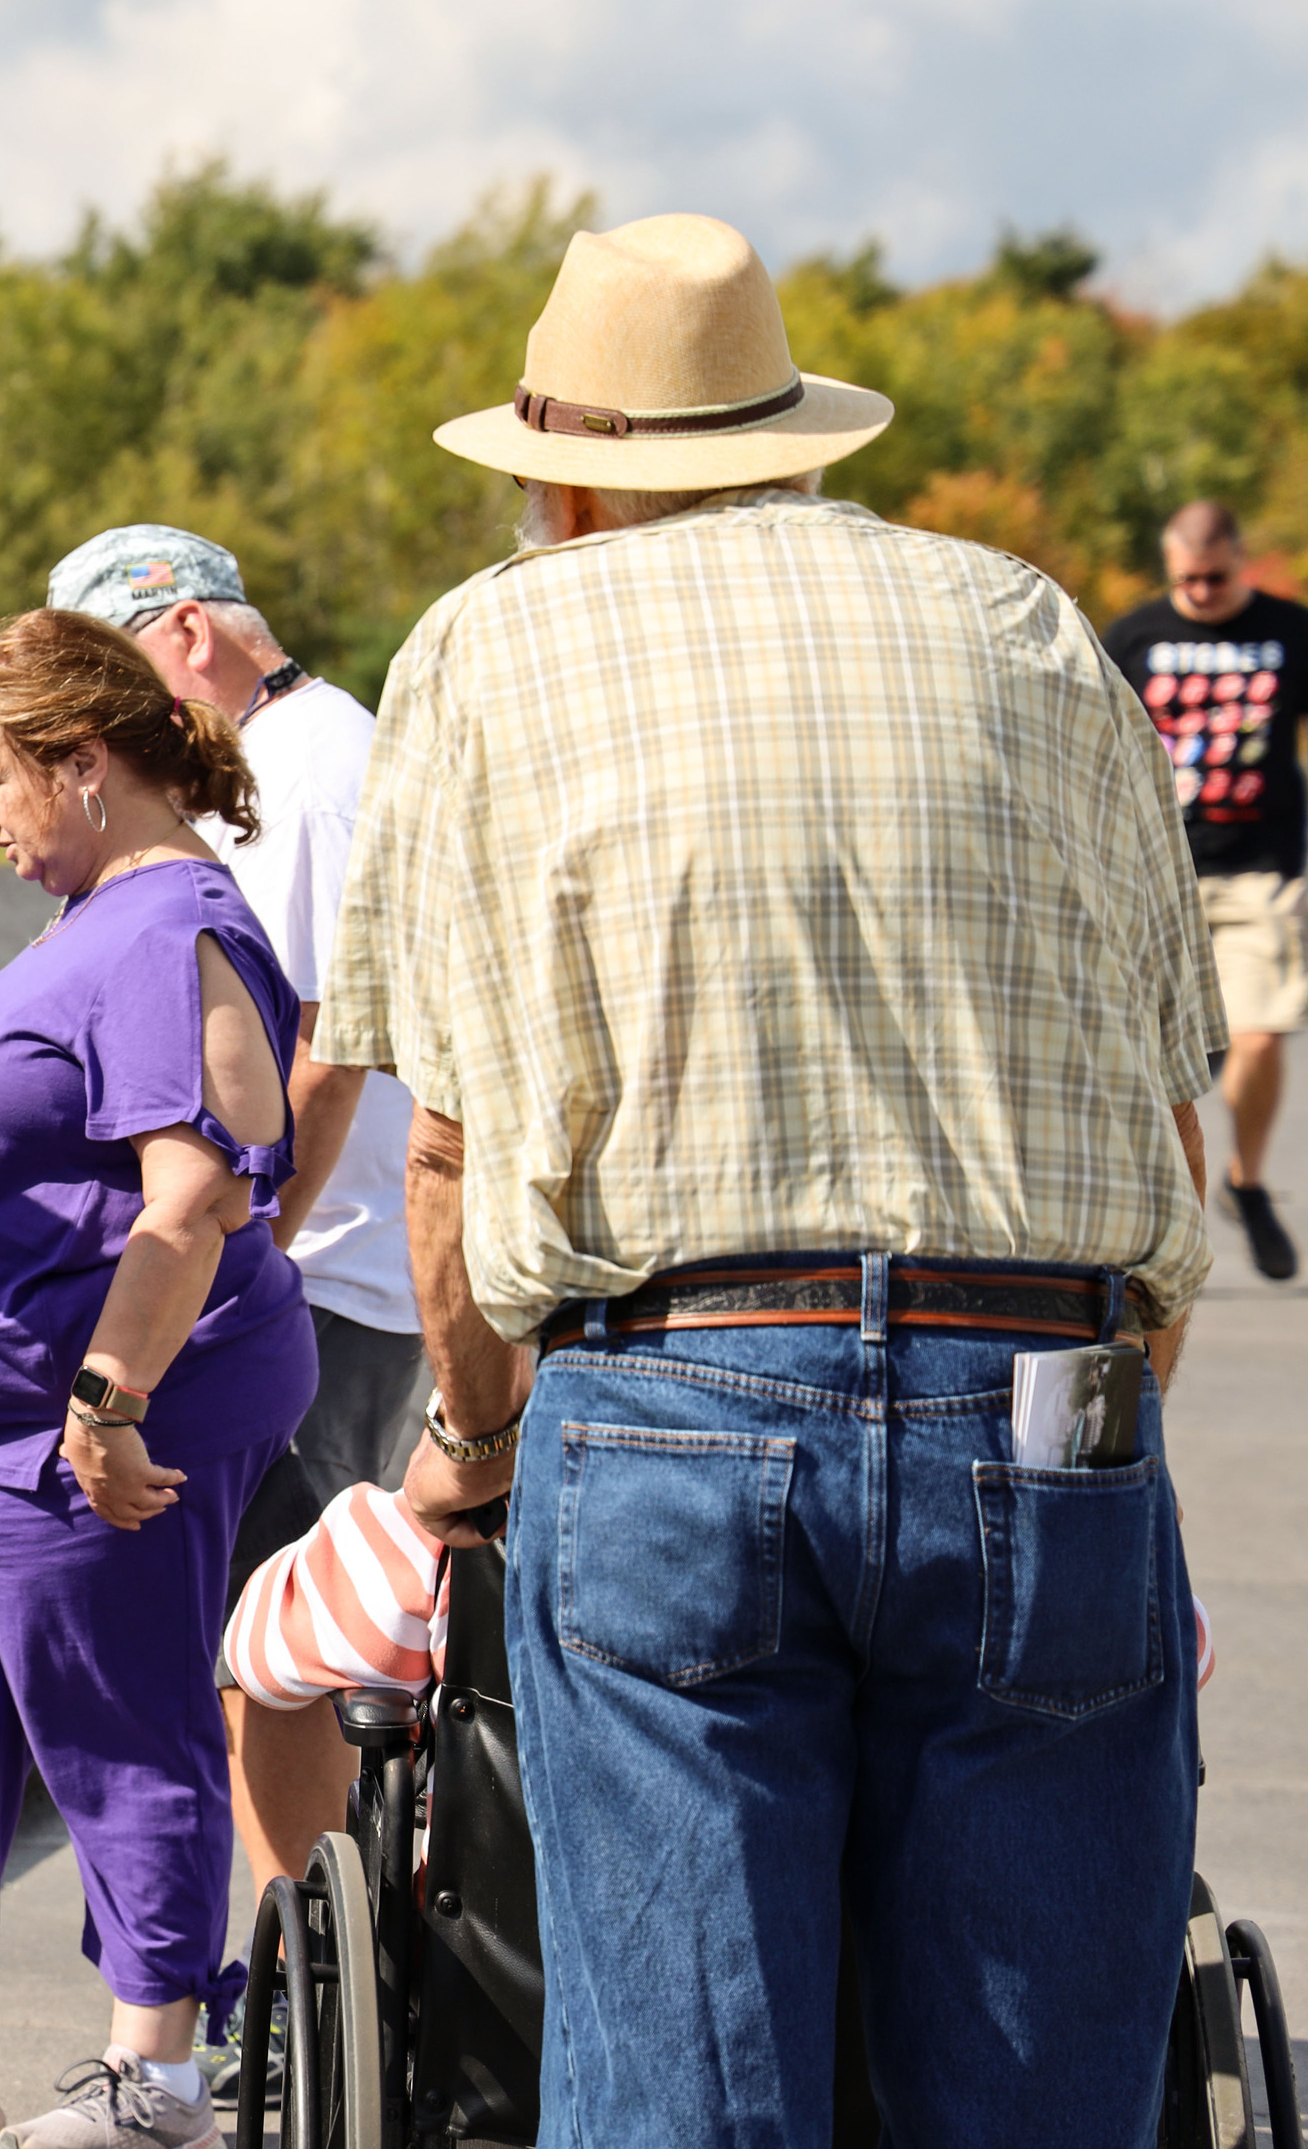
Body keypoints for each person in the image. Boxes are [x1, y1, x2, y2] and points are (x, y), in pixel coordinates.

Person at [319, 212, 1218, 2144]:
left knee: (686, 2095)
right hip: (1040, 1387)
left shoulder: (493, 643)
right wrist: (1088, 1418)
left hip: (675, 1397)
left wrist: (468, 1455)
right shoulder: (1032, 621)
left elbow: (454, 1149)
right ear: (795, 432)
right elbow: (1168, 1098)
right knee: (1050, 2092)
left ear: (567, 472)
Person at [0, 609, 316, 2149]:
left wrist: (106, 1406)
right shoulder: (96, 913)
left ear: (84, 763)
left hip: (82, 1423)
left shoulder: (173, 929)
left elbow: (194, 1198)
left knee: (118, 1724)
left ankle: (156, 2078)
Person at [41, 525, 426, 1956]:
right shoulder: (315, 750)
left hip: (326, 1277)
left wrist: (256, 1238)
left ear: (191, 634)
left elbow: (327, 1042)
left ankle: (304, 1982)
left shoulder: (310, 769)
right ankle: (331, 1971)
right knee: (297, 1651)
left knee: (277, 1657)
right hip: (344, 1267)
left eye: (114, 684)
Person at [1103, 499, 1308, 1280]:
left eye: (1215, 578)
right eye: (1186, 580)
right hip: (1159, 875)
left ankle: (1246, 1182)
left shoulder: (1291, 631)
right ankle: (1165, 1231)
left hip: (1261, 870)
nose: (1201, 592)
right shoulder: (1134, 636)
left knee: (1262, 1034)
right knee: (1163, 1071)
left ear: (1239, 559)